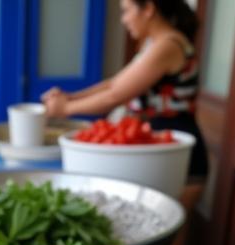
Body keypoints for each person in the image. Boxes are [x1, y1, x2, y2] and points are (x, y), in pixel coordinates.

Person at [42, 0, 208, 184]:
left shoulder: (168, 45)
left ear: (148, 9)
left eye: (127, 11)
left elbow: (114, 96)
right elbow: (114, 84)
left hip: (175, 154)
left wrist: (65, 108)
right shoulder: (153, 43)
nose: (124, 20)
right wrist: (70, 97)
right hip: (157, 153)